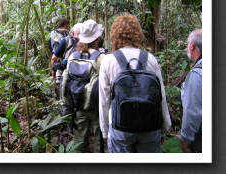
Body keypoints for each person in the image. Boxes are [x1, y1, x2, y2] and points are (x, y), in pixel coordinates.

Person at [99, 13, 172, 153]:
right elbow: (161, 96)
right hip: (150, 126)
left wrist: (104, 130)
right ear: (138, 34)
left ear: (114, 35)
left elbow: (104, 100)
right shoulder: (150, 58)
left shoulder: (108, 61)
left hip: (120, 126)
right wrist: (164, 127)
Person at [66, 19, 105, 153]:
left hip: (78, 105)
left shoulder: (73, 56)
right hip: (96, 107)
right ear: (97, 38)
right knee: (99, 142)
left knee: (79, 142)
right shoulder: (101, 58)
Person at [180, 29, 202, 153]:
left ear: (192, 46)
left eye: (187, 44)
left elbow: (192, 110)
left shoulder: (197, 73)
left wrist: (186, 137)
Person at [48, 19, 70, 84]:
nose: (67, 28)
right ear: (61, 26)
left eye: (68, 27)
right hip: (57, 57)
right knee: (58, 80)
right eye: (66, 26)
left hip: (64, 57)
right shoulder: (55, 33)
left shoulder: (65, 34)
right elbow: (58, 45)